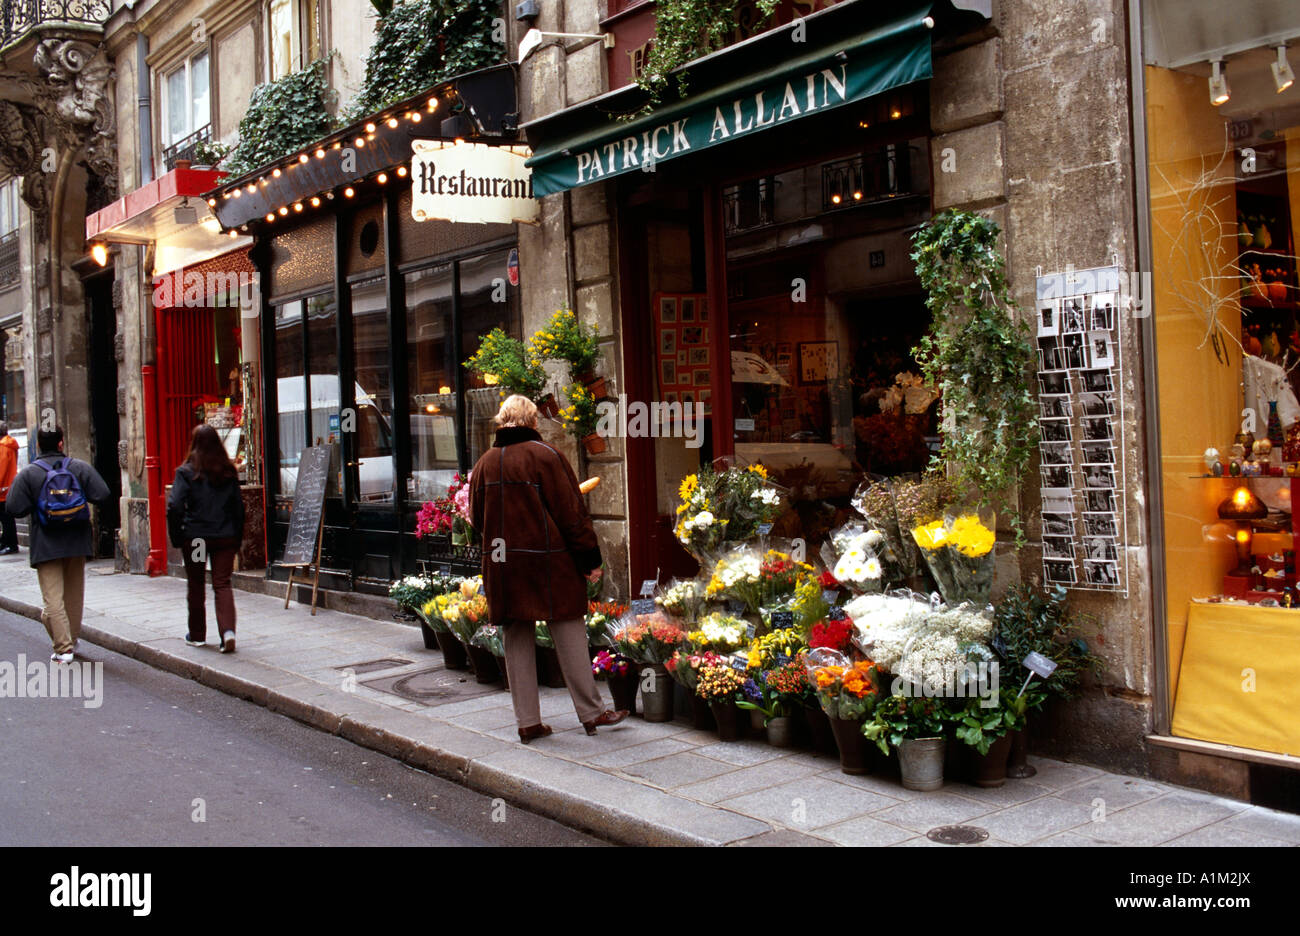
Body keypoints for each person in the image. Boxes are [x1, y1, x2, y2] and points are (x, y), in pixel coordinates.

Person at [468, 395, 627, 744]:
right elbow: (572, 515)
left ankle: (528, 722)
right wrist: (590, 560)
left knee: (517, 638)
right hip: (549, 561)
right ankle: (591, 712)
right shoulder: (547, 457)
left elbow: (476, 520)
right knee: (568, 627)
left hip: (503, 564)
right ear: (533, 421)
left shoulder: (484, 463)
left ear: (502, 420)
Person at [4, 426, 111, 662]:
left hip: (46, 542)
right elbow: (102, 494)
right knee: (73, 595)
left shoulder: (30, 473)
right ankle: (70, 639)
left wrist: (37, 503)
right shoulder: (78, 467)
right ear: (61, 443)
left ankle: (64, 648)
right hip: (77, 540)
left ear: (39, 444)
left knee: (52, 598)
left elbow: (13, 508)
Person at [168, 424, 245, 653]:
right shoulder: (229, 472)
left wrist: (178, 536)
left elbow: (174, 506)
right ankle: (228, 632)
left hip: (198, 538)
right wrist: (237, 538)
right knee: (222, 583)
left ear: (194, 444)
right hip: (224, 538)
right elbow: (238, 509)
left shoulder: (186, 472)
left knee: (197, 583)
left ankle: (198, 634)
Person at [0, 422, 19, 554]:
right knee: (6, 518)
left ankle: (10, 544)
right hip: (8, 486)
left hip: (3, 489)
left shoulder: (3, 447)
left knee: (6, 519)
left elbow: (1, 469)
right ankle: (6, 542)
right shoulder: (9, 445)